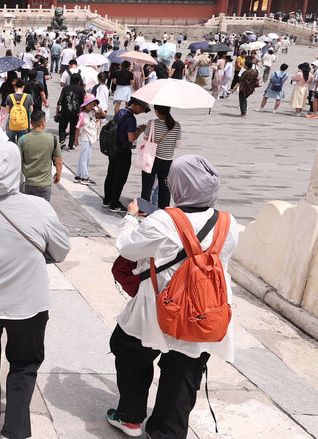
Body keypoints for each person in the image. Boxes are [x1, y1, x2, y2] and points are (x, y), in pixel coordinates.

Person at [107, 155, 238, 439]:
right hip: (202, 311)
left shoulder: (163, 220)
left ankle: (130, 418)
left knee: (129, 351)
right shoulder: (229, 223)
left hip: (158, 306)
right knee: (184, 371)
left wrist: (131, 217)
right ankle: (167, 432)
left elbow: (127, 248)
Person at [0, 141, 70, 439]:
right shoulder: (39, 207)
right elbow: (61, 250)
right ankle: (16, 427)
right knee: (24, 364)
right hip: (29, 303)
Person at [104, 98, 149, 213]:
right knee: (120, 178)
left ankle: (107, 199)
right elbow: (131, 138)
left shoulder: (120, 112)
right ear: (138, 105)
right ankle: (114, 203)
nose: (141, 111)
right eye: (142, 109)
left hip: (113, 147)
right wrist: (140, 130)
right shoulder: (131, 119)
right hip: (123, 151)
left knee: (111, 174)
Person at [139, 106, 181, 208]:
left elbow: (145, 137)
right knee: (165, 187)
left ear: (157, 111)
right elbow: (177, 145)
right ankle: (164, 209)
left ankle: (144, 209)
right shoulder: (176, 125)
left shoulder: (152, 123)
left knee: (147, 186)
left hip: (152, 159)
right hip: (167, 161)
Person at [18, 110, 61, 202]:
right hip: (44, 184)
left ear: (31, 122)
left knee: (28, 209)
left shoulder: (22, 139)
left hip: (27, 183)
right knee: (43, 209)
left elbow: (18, 161)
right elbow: (58, 161)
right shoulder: (52, 139)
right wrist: (58, 174)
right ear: (43, 122)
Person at [76, 94, 105, 185]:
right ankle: (85, 177)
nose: (91, 106)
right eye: (89, 104)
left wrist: (98, 107)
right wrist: (76, 140)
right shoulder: (82, 114)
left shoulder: (93, 112)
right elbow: (78, 128)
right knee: (85, 158)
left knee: (83, 157)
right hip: (86, 137)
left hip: (91, 137)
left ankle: (78, 175)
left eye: (93, 104)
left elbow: (103, 115)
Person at [58, 72, 85, 150]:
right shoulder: (81, 90)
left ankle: (62, 140)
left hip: (65, 111)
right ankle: (71, 145)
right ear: (79, 81)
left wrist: (58, 108)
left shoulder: (65, 88)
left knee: (62, 126)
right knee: (73, 129)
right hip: (76, 112)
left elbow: (61, 99)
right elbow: (84, 101)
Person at [5, 79, 33, 143]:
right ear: (23, 86)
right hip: (23, 123)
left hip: (12, 123)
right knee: (22, 143)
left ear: (15, 86)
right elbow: (31, 110)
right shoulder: (28, 97)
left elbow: (8, 111)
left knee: (10, 142)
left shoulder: (9, 96)